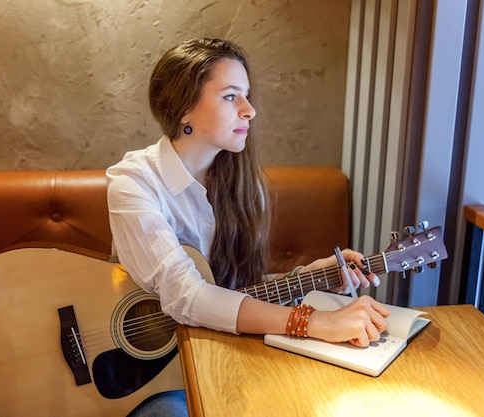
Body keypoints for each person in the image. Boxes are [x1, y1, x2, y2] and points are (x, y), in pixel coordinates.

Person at [107, 37, 391, 417]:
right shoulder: (133, 185)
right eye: (230, 96)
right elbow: (188, 297)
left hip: (220, 350)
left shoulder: (244, 186)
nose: (250, 110)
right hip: (134, 375)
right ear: (182, 108)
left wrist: (309, 277)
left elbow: (234, 291)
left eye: (247, 95)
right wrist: (315, 322)